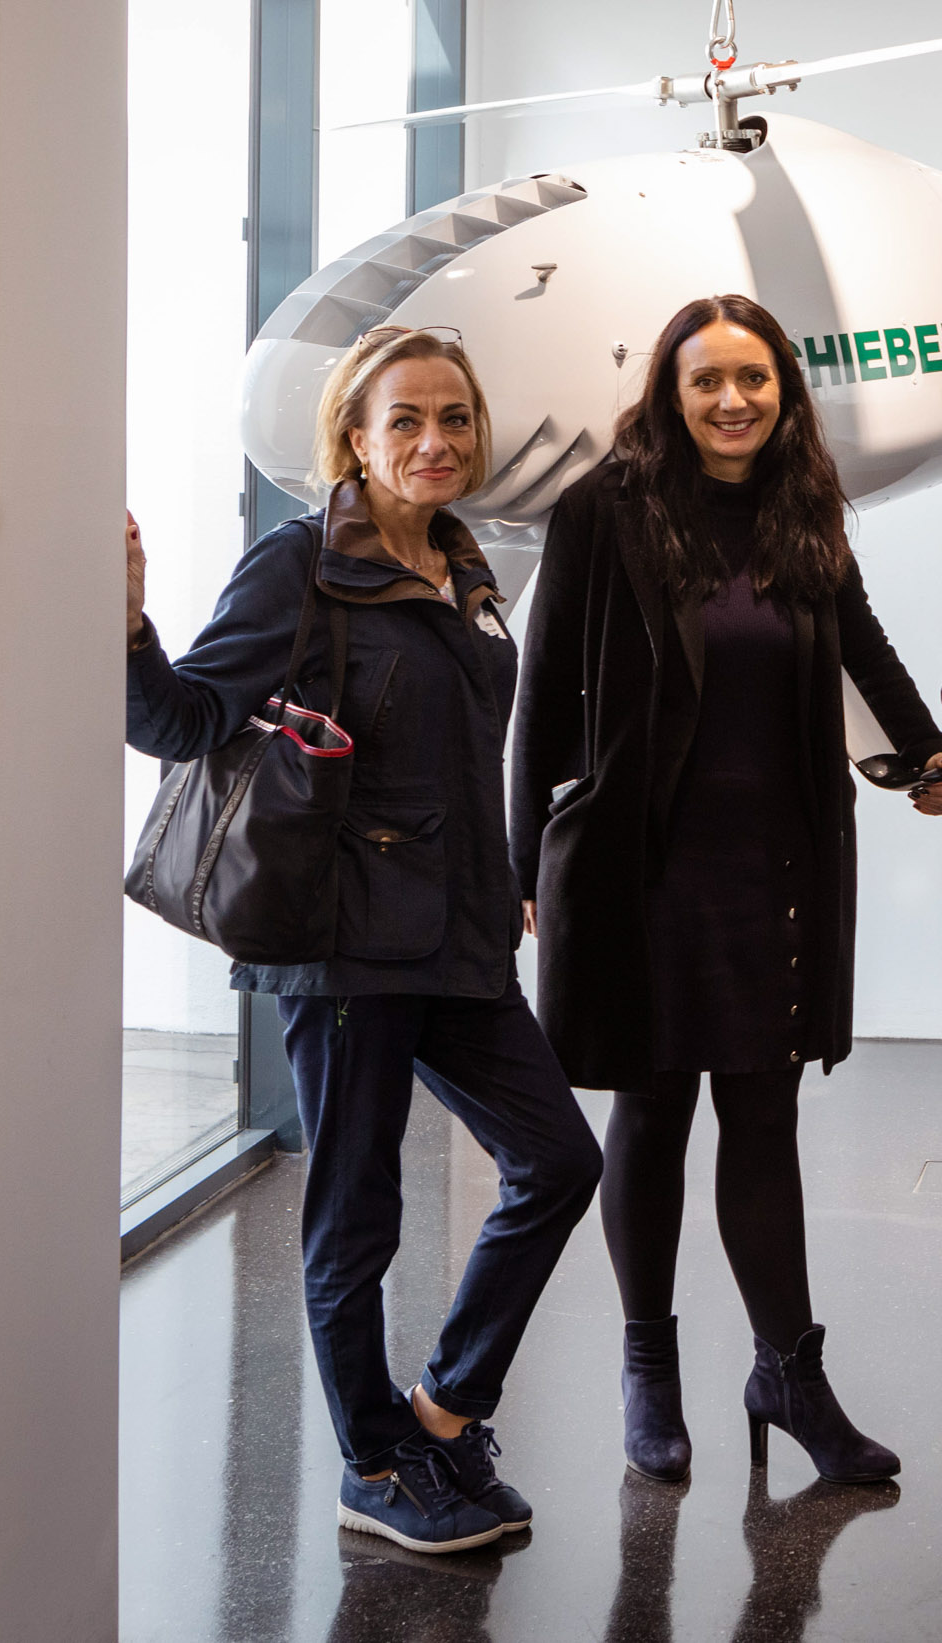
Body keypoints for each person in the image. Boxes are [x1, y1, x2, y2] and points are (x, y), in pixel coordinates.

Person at [127, 324, 603, 1553]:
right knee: (357, 1215)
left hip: (460, 936)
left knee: (559, 1163)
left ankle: (441, 1415)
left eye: (454, 418)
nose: (434, 441)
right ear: (354, 436)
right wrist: (125, 633)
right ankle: (374, 1467)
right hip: (344, 941)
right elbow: (183, 724)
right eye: (406, 420)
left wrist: (511, 883)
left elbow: (473, 754)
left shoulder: (467, 563)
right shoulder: (299, 567)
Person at [510, 293, 942, 1486]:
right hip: (639, 865)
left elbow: (861, 643)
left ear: (784, 394)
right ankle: (648, 1370)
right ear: (670, 393)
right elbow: (543, 691)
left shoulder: (801, 506)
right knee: (653, 1111)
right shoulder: (603, 509)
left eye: (753, 379)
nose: (732, 400)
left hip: (776, 865)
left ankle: (787, 1375)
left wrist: (926, 753)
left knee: (765, 1117)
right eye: (706, 380)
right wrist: (521, 870)